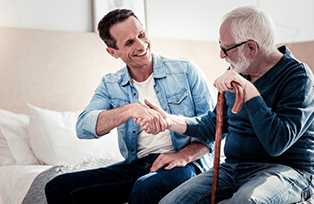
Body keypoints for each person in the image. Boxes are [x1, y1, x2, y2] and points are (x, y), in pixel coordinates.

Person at [135, 6, 314, 204]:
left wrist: (248, 90)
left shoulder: (298, 77)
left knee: (245, 201)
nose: (221, 55)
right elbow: (215, 123)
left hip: (286, 170)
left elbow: (277, 143)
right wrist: (170, 121)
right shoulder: (241, 68)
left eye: (226, 48)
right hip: (233, 168)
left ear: (251, 48)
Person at [45, 8, 215, 204]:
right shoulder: (111, 84)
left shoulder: (185, 71)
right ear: (112, 52)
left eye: (141, 34)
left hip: (186, 165)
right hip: (138, 166)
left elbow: (214, 128)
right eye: (129, 42)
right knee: (57, 186)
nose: (142, 45)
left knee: (146, 186)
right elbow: (83, 127)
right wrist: (130, 110)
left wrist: (182, 156)